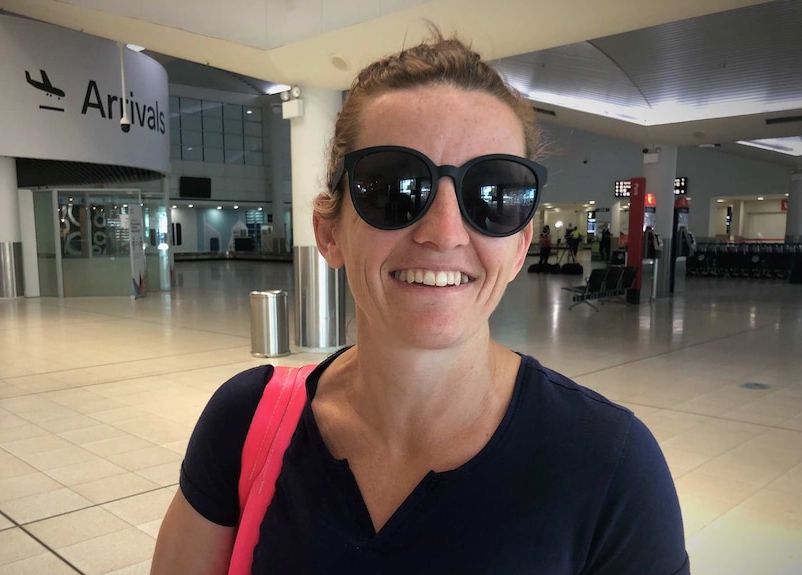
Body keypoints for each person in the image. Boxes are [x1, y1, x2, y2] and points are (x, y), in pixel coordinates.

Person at [151, 30, 688, 575]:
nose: (445, 232)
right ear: (329, 233)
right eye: (394, 187)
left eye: (493, 194)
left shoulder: (609, 468)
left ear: (521, 243)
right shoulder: (245, 423)